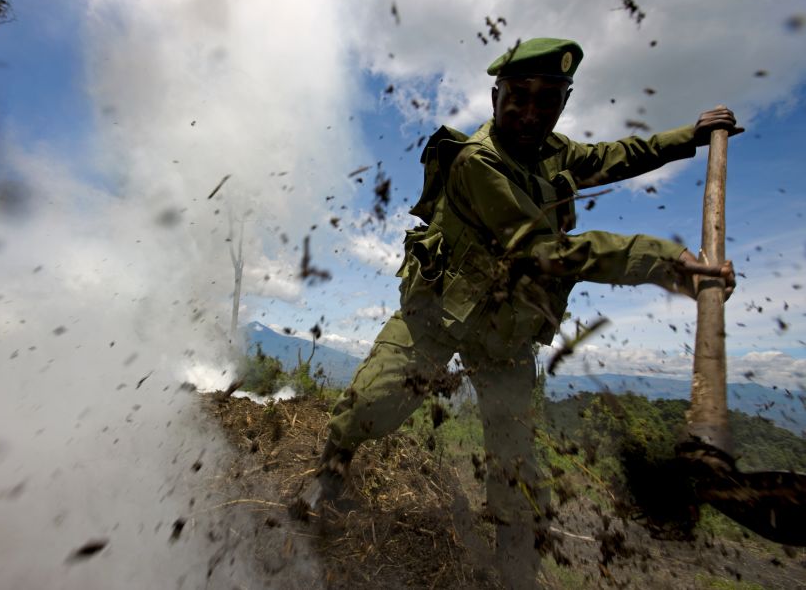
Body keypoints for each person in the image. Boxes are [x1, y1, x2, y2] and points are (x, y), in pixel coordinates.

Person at [302, 38, 740, 589]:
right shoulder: (475, 163)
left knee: (516, 470)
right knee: (370, 403)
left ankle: (517, 572)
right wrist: (663, 260)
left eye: (548, 99)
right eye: (519, 97)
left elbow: (614, 156)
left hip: (505, 335)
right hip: (437, 317)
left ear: (562, 102)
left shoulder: (553, 153)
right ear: (495, 96)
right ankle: (331, 471)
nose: (531, 112)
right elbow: (545, 252)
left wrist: (690, 139)